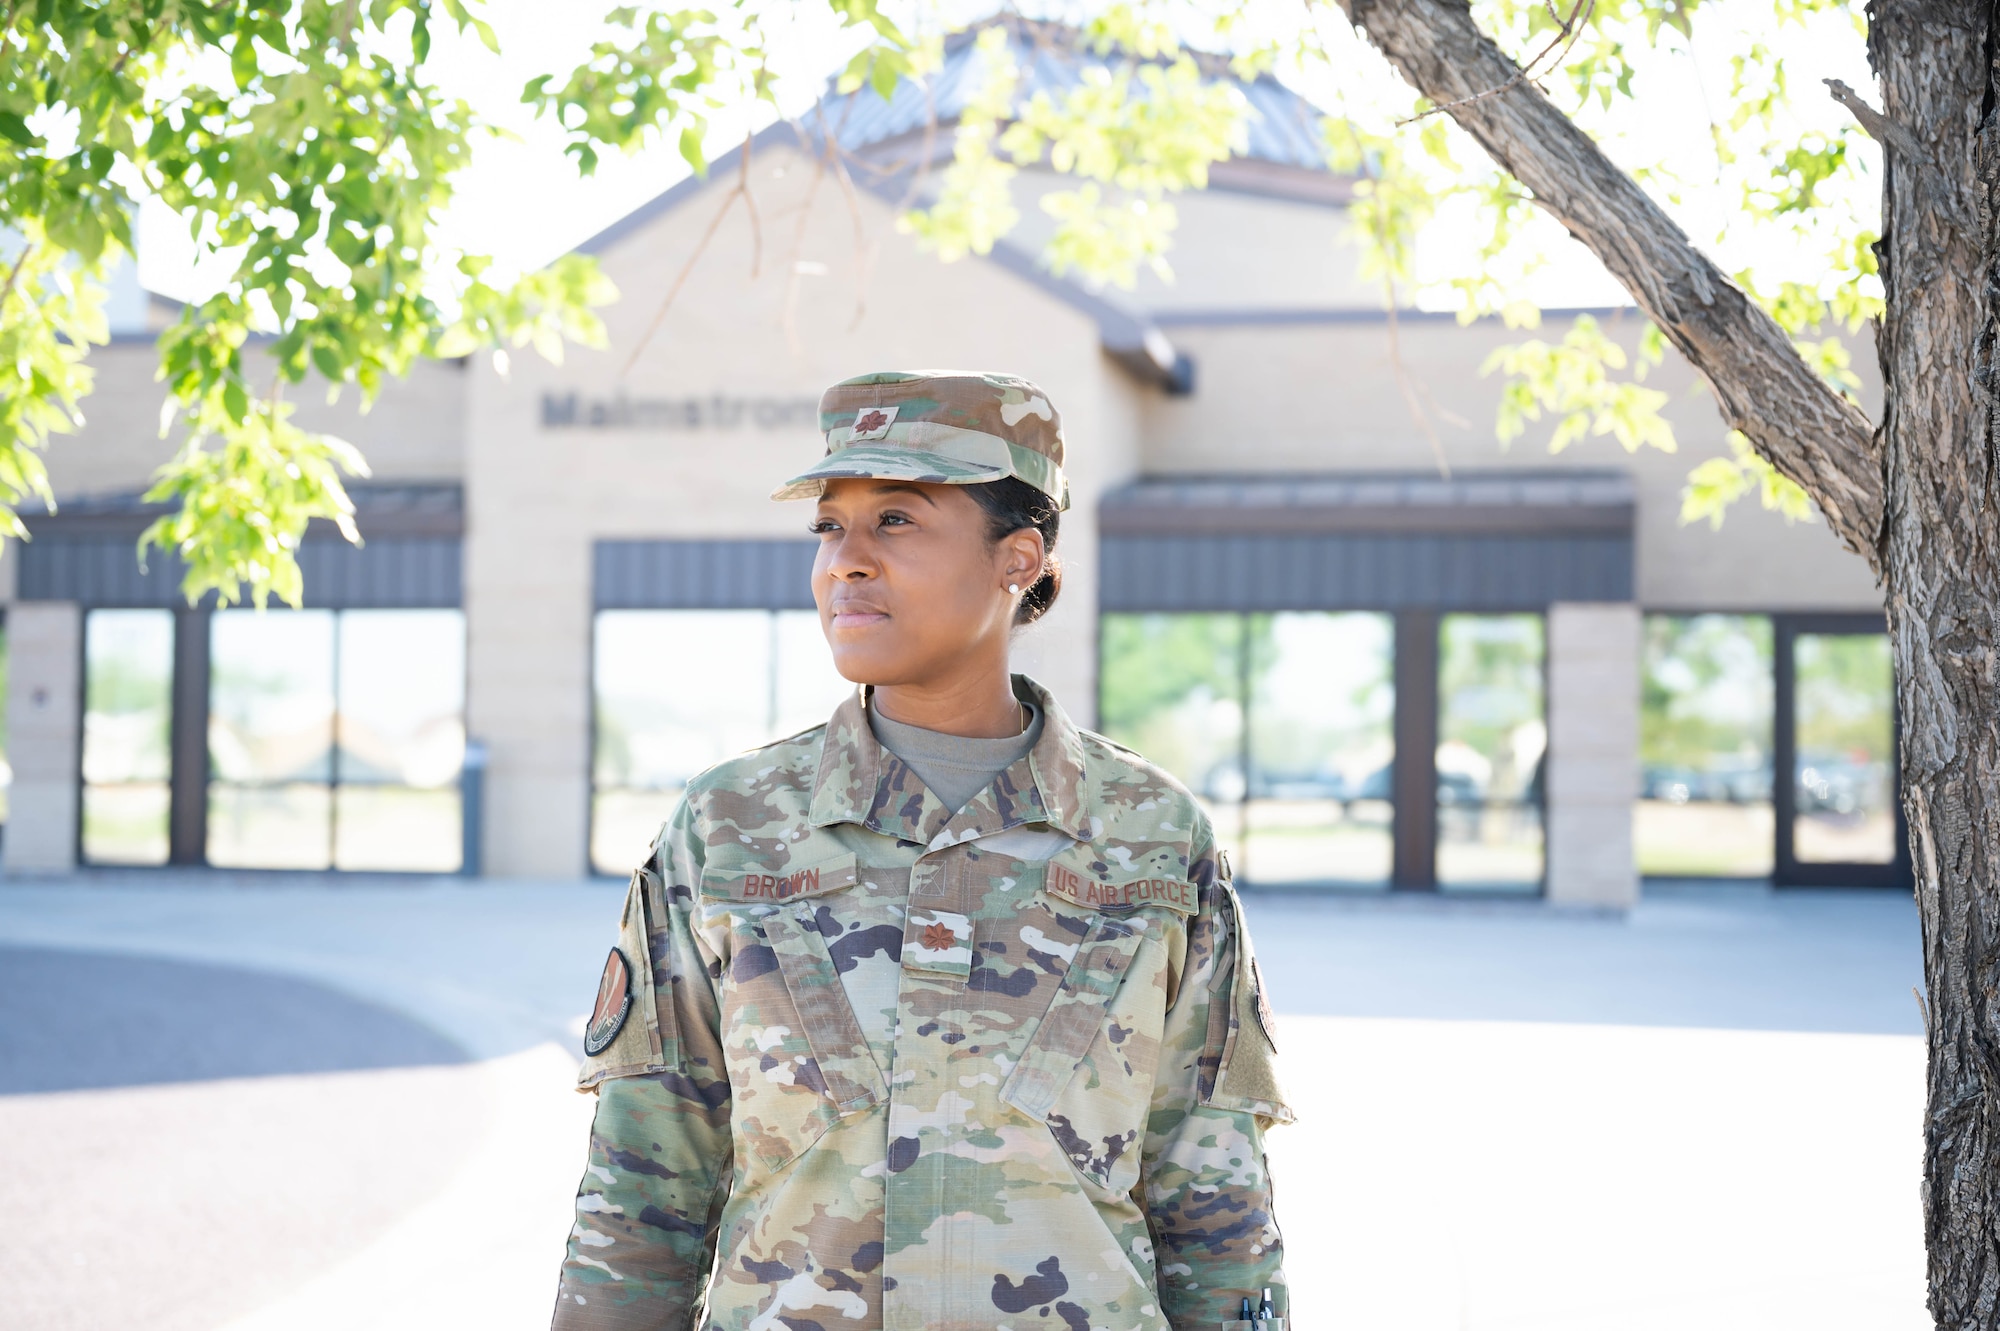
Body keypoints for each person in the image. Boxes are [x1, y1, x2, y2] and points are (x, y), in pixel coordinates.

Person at [550, 370, 1293, 1331]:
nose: (845, 562)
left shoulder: (1152, 837)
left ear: (1016, 558)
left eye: (895, 520)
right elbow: (641, 1194)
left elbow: (1216, 1208)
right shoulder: (730, 826)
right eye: (829, 526)